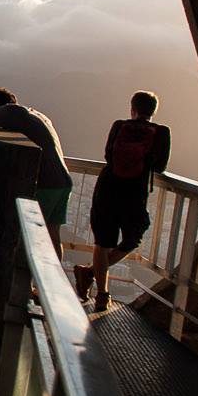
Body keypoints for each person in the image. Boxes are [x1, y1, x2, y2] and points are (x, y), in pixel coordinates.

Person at [75, 90, 171, 311]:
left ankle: (101, 295)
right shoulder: (162, 132)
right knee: (131, 240)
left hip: (108, 187)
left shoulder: (119, 125)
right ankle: (88, 273)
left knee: (102, 242)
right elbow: (160, 166)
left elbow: (109, 155)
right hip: (134, 193)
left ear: (132, 108)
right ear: (154, 111)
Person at [0, 88, 76, 258]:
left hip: (45, 184)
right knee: (52, 235)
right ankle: (53, 279)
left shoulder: (11, 111)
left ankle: (26, 282)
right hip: (62, 181)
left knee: (32, 237)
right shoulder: (37, 115)